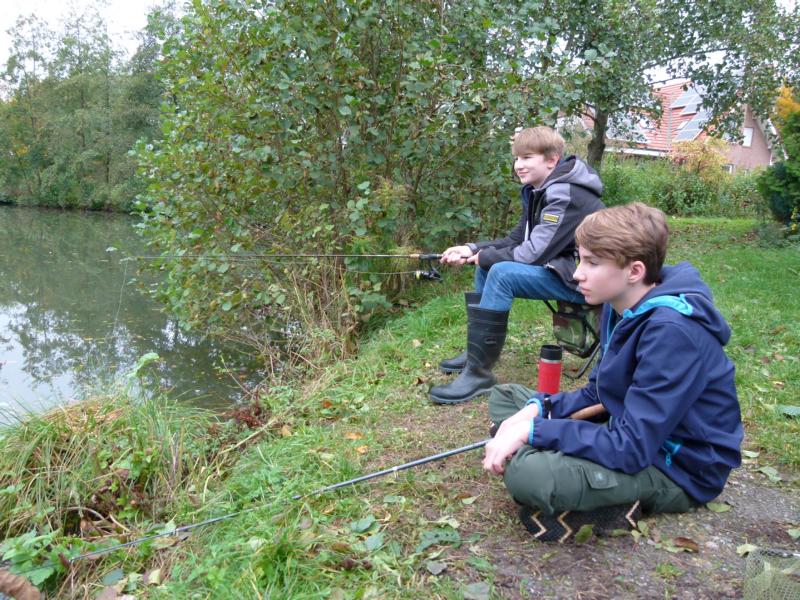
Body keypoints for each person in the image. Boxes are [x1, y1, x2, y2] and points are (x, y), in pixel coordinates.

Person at [482, 203, 743, 542]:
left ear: (634, 271)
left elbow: (631, 447)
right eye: (580, 259)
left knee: (530, 475)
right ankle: (529, 451)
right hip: (629, 426)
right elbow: (600, 393)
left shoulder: (672, 333)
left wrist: (534, 432)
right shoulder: (619, 305)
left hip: (677, 467)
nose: (577, 274)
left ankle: (586, 488)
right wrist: (537, 410)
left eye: (592, 263)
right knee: (506, 398)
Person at [430, 126, 604, 405]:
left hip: (589, 281)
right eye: (517, 158)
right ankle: (477, 355)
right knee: (488, 267)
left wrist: (485, 257)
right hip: (565, 270)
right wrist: (472, 249)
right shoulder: (539, 190)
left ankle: (478, 375)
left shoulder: (564, 193)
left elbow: (534, 253)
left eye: (527, 158)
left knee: (500, 272)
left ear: (552, 160)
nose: (518, 165)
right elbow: (516, 240)